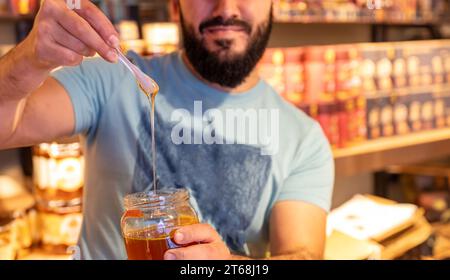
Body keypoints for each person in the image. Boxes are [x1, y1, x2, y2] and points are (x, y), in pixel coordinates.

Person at [0, 0, 334, 260]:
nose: (226, 9)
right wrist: (29, 58)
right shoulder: (111, 78)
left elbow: (304, 253)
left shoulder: (303, 138)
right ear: (176, 7)